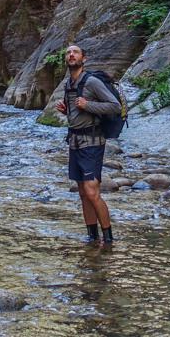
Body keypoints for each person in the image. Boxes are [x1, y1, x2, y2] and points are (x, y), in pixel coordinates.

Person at [54, 43, 121, 248]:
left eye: (75, 52)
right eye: (68, 53)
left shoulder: (91, 82)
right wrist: (67, 111)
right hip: (74, 142)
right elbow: (78, 112)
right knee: (82, 192)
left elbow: (114, 106)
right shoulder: (68, 84)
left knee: (92, 192)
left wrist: (87, 105)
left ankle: (108, 238)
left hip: (92, 142)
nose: (71, 55)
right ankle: (92, 236)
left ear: (84, 59)